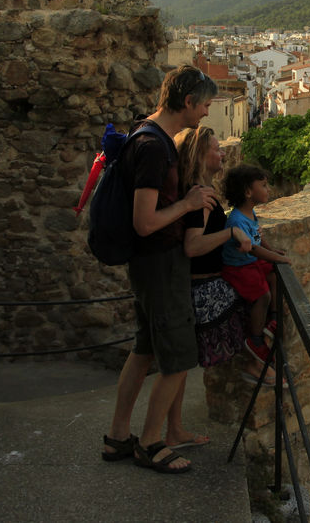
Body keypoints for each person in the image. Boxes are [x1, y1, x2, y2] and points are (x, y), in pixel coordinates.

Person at [101, 65, 218, 475]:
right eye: (204, 105)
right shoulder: (154, 147)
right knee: (180, 356)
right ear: (188, 102)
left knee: (144, 348)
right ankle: (151, 443)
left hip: (148, 263)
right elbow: (145, 222)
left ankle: (118, 436)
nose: (205, 113)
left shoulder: (144, 134)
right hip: (160, 262)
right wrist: (189, 204)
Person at [174, 127, 279, 385]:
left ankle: (260, 357)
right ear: (200, 154)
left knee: (266, 277)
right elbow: (193, 246)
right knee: (259, 295)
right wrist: (232, 232)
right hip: (205, 287)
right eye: (216, 149)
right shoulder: (201, 195)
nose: (222, 153)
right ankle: (258, 358)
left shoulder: (201, 189)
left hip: (209, 278)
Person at [221, 165, 290, 367]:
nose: (268, 189)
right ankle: (256, 339)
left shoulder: (249, 213)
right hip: (238, 267)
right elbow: (253, 249)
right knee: (263, 296)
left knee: (274, 277)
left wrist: (273, 250)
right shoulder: (237, 220)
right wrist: (276, 258)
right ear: (248, 192)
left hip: (250, 262)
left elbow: (258, 238)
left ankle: (274, 320)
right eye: (264, 185)